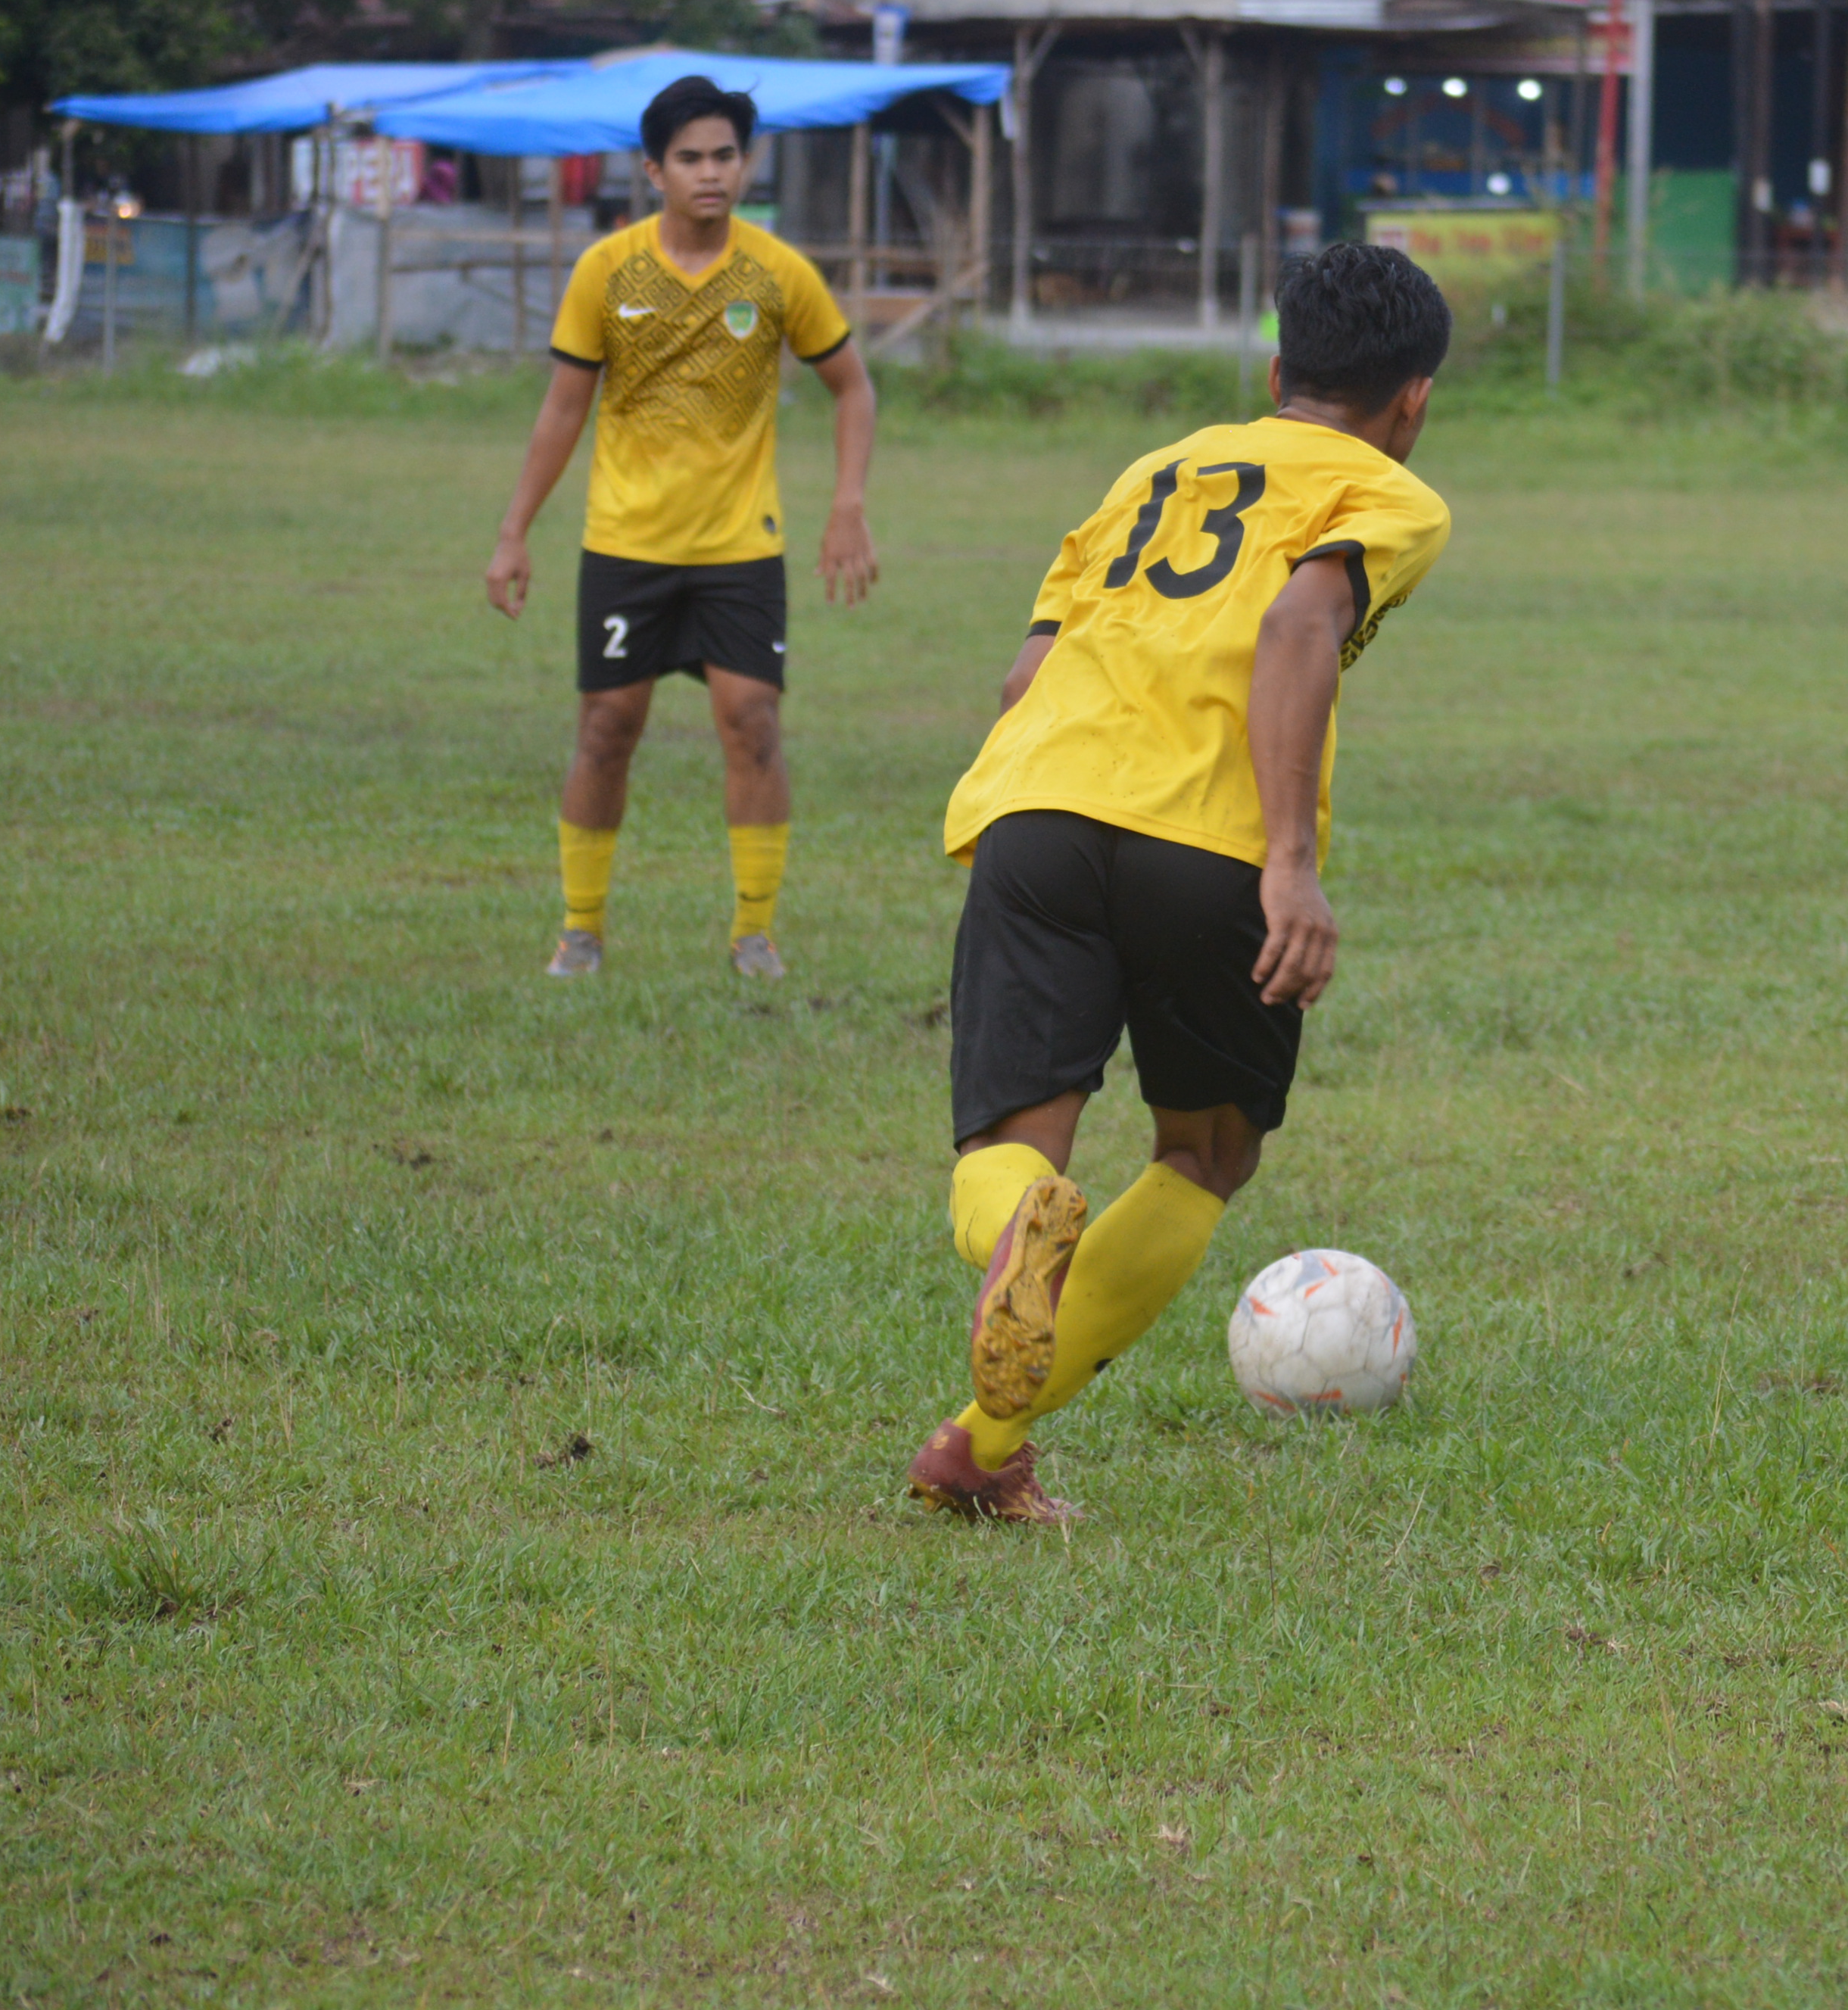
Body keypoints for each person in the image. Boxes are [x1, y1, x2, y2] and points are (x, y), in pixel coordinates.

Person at [908, 242, 1456, 1524]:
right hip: (1203, 844)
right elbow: (1297, 625)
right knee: (1206, 1151)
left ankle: (989, 1408)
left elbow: (1025, 675)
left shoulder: (1154, 471)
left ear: (1275, 371)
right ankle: (986, 1436)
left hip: (1037, 809)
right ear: (1414, 399)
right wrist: (1292, 867)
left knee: (1011, 1146)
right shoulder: (1389, 493)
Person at [484, 76, 879, 981]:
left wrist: (848, 502)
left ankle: (755, 937)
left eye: (726, 156)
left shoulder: (779, 274)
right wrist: (514, 532)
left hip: (742, 548)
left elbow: (852, 386)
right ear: (654, 171)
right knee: (606, 729)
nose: (712, 173)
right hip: (626, 544)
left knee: (753, 723)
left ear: (748, 163)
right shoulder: (607, 270)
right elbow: (563, 408)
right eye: (691, 158)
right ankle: (581, 932)